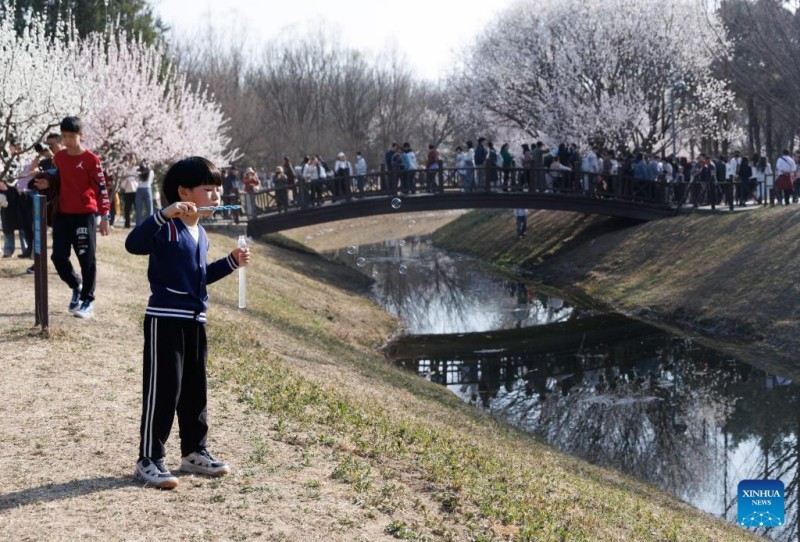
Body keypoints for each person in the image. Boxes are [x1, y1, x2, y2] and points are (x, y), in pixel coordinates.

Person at [124, 156, 250, 489]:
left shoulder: (201, 232)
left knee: (195, 390)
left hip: (195, 320)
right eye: (208, 190)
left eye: (218, 191)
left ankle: (194, 452)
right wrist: (164, 213)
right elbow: (133, 244)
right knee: (164, 390)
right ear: (183, 191)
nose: (216, 197)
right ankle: (149, 458)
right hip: (165, 320)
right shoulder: (166, 227)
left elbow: (199, 277)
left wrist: (231, 263)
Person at [33, 116, 111, 318]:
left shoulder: (91, 160)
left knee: (87, 258)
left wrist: (105, 216)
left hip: (85, 215)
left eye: (71, 136)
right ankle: (76, 284)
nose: (67, 141)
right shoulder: (59, 158)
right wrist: (48, 183)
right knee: (58, 257)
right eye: (64, 136)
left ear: (81, 136)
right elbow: (59, 180)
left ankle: (88, 301)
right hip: (62, 216)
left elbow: (102, 189)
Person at [120, 154, 139, 228]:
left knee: (137, 208)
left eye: (133, 158)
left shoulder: (137, 168)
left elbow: (138, 178)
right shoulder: (126, 169)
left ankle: (138, 223)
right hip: (127, 191)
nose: (132, 160)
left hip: (135, 190)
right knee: (127, 209)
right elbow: (123, 180)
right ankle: (127, 224)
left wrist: (130, 176)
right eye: (130, 158)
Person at [135, 159, 154, 226]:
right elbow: (151, 181)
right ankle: (150, 224)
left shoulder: (138, 171)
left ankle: (138, 224)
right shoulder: (151, 171)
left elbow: (136, 180)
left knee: (138, 208)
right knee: (149, 208)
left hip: (139, 189)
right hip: (147, 189)